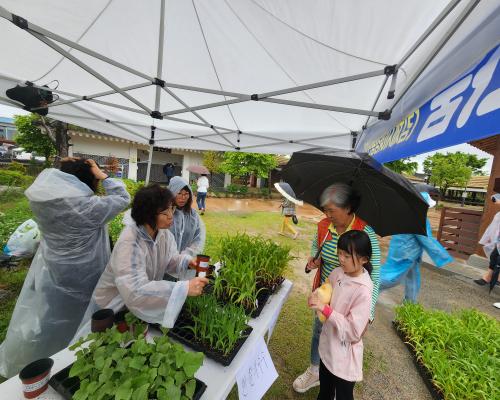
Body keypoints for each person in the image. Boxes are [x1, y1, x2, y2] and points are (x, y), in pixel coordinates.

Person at [0, 158, 130, 378]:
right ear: (88, 181)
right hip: (85, 274)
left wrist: (73, 169)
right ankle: (76, 364)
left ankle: (48, 357)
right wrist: (102, 174)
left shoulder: (43, 204)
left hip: (55, 272)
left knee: (54, 316)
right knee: (83, 318)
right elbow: (123, 198)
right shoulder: (88, 207)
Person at [75, 184, 209, 337]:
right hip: (113, 306)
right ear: (148, 214)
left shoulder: (163, 234)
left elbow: (169, 259)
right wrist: (183, 289)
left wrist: (187, 262)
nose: (171, 215)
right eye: (165, 212)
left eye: (171, 208)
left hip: (134, 306)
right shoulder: (130, 241)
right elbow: (135, 290)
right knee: (105, 344)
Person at [293, 183, 380, 393]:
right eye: (325, 209)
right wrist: (314, 259)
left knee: (341, 339)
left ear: (348, 207)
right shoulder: (324, 226)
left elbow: (375, 275)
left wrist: (368, 314)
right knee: (319, 332)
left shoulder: (364, 232)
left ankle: (338, 378)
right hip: (328, 291)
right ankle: (316, 371)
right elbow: (316, 247)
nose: (327, 214)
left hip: (349, 299)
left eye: (332, 210)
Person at [308, 230, 373, 400]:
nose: (341, 259)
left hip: (344, 357)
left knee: (344, 395)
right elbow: (326, 290)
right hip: (328, 346)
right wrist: (317, 296)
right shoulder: (338, 272)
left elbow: (353, 331)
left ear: (364, 259)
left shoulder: (363, 290)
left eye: (347, 255)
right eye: (340, 253)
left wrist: (326, 310)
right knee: (325, 392)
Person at [380, 192, 453, 303]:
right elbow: (427, 239)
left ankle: (410, 306)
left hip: (403, 251)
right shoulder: (419, 219)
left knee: (412, 280)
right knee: (391, 278)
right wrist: (443, 256)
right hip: (407, 255)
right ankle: (369, 288)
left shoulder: (405, 214)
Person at [167, 176, 206, 279]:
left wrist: (186, 255)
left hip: (185, 263)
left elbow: (198, 239)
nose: (183, 197)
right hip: (164, 265)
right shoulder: (164, 213)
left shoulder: (193, 215)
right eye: (179, 193)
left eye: (186, 194)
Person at [474, 193, 500, 290]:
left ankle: (494, 278)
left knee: (498, 259)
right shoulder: (498, 214)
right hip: (498, 242)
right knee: (494, 257)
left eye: (495, 200)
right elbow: (493, 228)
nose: (495, 202)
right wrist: (489, 237)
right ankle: (488, 278)